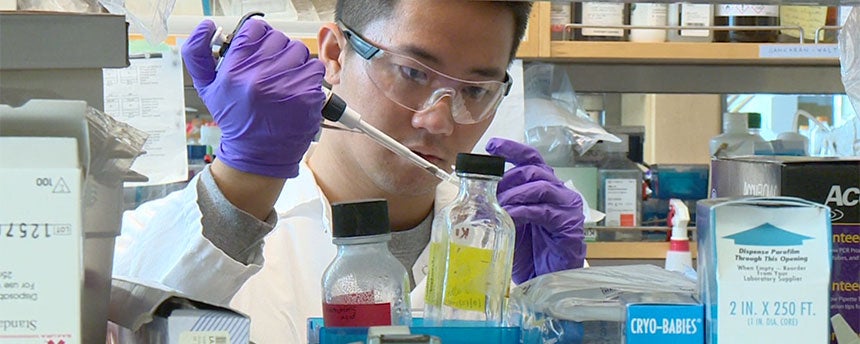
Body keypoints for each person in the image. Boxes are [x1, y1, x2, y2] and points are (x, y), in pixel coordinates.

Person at [113, 1, 586, 342]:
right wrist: (241, 186)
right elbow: (122, 325)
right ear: (334, 55)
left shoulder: (508, 247)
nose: (439, 120)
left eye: (476, 90)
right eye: (413, 72)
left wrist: (560, 308)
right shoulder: (157, 238)